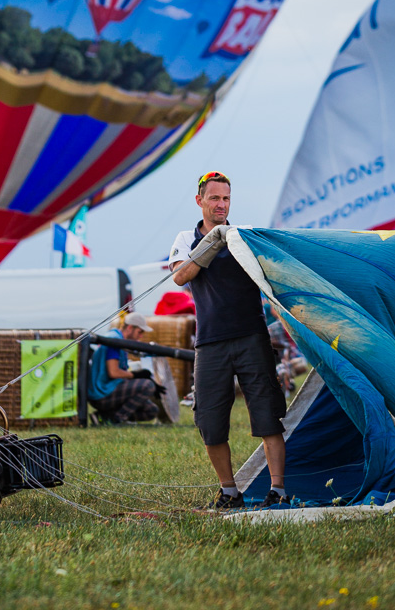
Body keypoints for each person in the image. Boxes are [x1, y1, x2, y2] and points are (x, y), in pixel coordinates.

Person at [169, 171, 289, 510]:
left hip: (252, 336)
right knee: (209, 420)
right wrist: (213, 241)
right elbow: (180, 275)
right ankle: (230, 492)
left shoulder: (243, 238)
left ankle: (278, 490)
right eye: (215, 199)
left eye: (226, 199)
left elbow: (274, 278)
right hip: (210, 343)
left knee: (268, 415)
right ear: (200, 201)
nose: (221, 205)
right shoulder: (185, 238)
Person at [88, 312, 161, 424]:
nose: (140, 336)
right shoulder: (115, 340)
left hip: (109, 389)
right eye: (140, 332)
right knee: (148, 385)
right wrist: (137, 375)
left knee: (151, 410)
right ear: (130, 328)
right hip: (102, 393)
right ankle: (116, 420)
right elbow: (113, 372)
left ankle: (103, 417)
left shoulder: (117, 339)